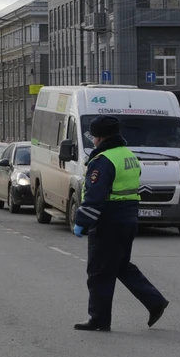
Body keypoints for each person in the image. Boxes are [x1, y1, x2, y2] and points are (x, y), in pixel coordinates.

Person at [72, 116, 169, 332]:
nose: (94, 141)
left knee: (98, 271)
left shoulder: (103, 160)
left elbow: (96, 195)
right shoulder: (129, 156)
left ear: (100, 136)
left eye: (95, 136)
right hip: (128, 218)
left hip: (109, 221)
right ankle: (155, 302)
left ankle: (99, 319)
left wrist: (81, 221)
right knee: (120, 265)